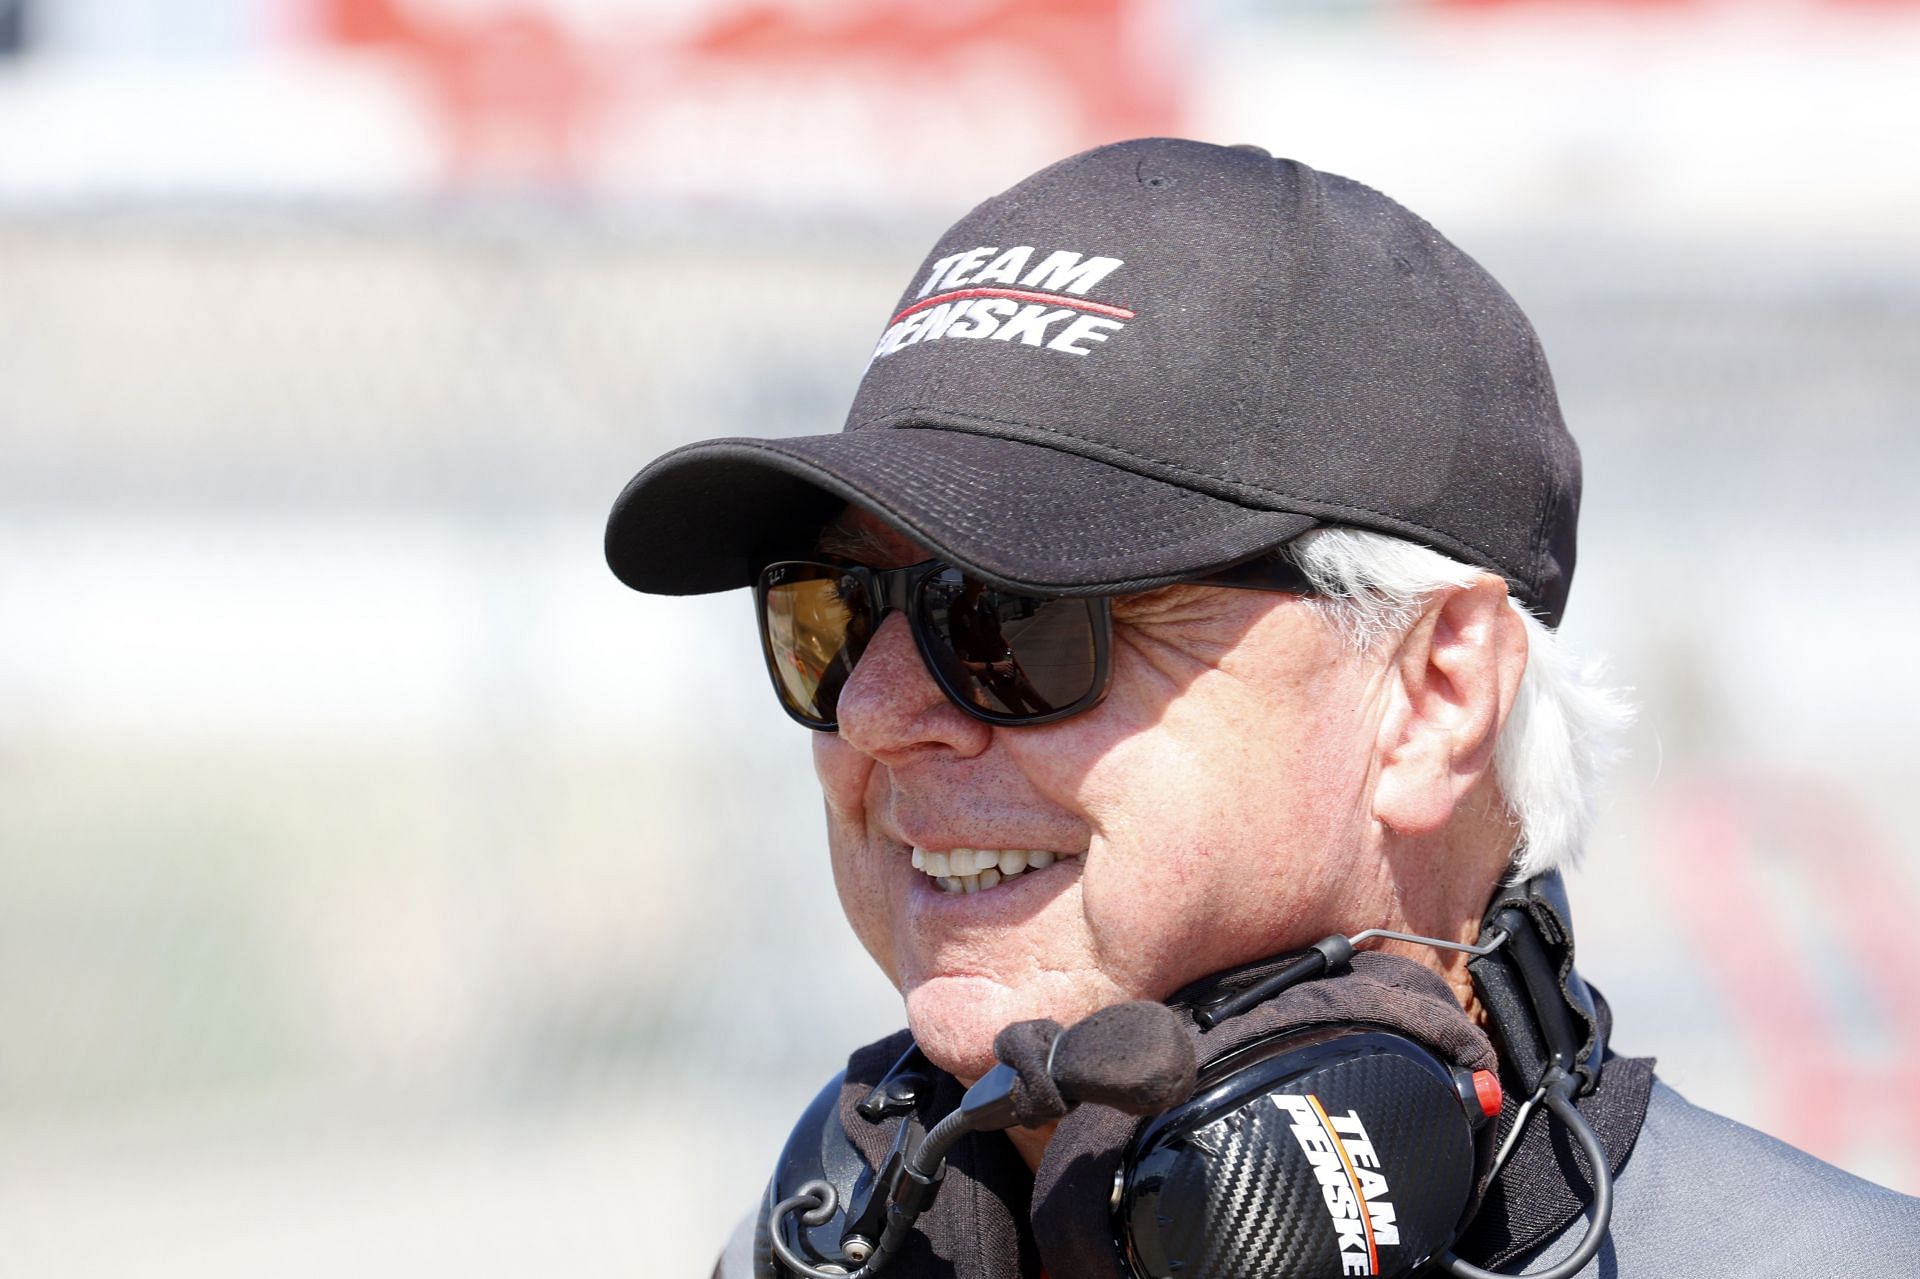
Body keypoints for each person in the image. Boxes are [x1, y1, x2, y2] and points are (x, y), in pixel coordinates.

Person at [604, 139, 1920, 1278]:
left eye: (1009, 616)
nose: (877, 710)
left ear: (1434, 694)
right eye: (833, 614)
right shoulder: (798, 1258)